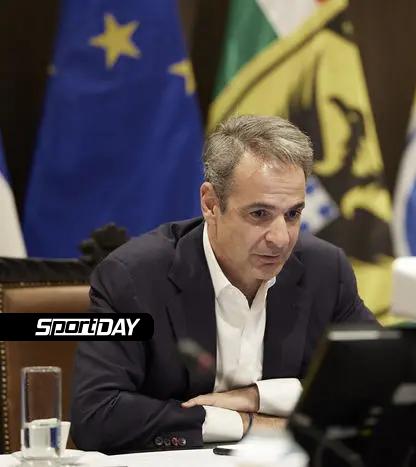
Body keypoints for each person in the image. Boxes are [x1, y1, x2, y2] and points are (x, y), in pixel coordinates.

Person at [70, 115, 376, 453]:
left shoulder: (325, 270)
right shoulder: (134, 278)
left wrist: (256, 397)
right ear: (211, 204)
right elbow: (97, 417)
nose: (280, 238)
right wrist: (244, 423)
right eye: (259, 214)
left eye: (292, 215)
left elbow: (379, 384)